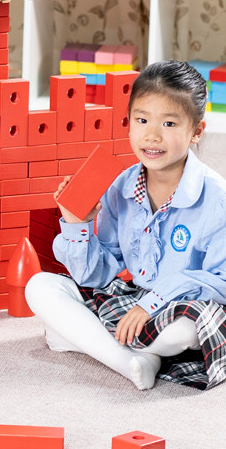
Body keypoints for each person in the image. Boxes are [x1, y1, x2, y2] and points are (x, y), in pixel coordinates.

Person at [25, 60, 226, 390]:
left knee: (186, 330)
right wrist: (77, 224)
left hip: (182, 304)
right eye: (142, 120)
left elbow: (220, 281)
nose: (152, 135)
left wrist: (152, 303)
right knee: (40, 287)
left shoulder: (217, 198)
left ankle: (85, 340)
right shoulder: (122, 186)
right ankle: (133, 361)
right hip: (133, 298)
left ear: (196, 132)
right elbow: (96, 275)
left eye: (169, 123)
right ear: (128, 123)